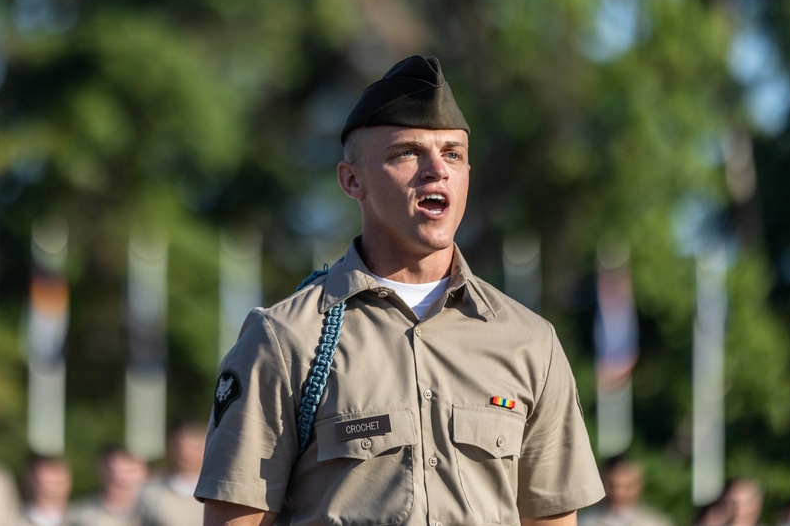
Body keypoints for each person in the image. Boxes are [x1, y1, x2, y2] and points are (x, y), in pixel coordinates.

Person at [195, 54, 605, 525]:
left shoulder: (528, 342)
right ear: (352, 180)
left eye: (453, 153)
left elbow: (550, 518)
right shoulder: (286, 339)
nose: (437, 170)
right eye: (406, 152)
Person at [136, 420, 206, 526]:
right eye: (183, 447)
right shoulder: (149, 491)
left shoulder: (218, 492)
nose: (188, 454)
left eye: (195, 447)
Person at [579, 456, 673, 526]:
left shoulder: (655, 522)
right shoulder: (582, 521)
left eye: (627, 487)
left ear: (639, 486)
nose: (618, 493)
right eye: (612, 486)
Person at [68, 445, 148, 526]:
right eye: (115, 472)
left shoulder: (155, 511)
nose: (123, 478)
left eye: (131, 471)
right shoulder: (79, 515)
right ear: (101, 472)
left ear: (145, 473)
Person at [16, 455, 73, 526]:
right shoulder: (10, 517)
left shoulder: (82, 518)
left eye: (57, 482)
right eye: (44, 482)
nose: (50, 488)